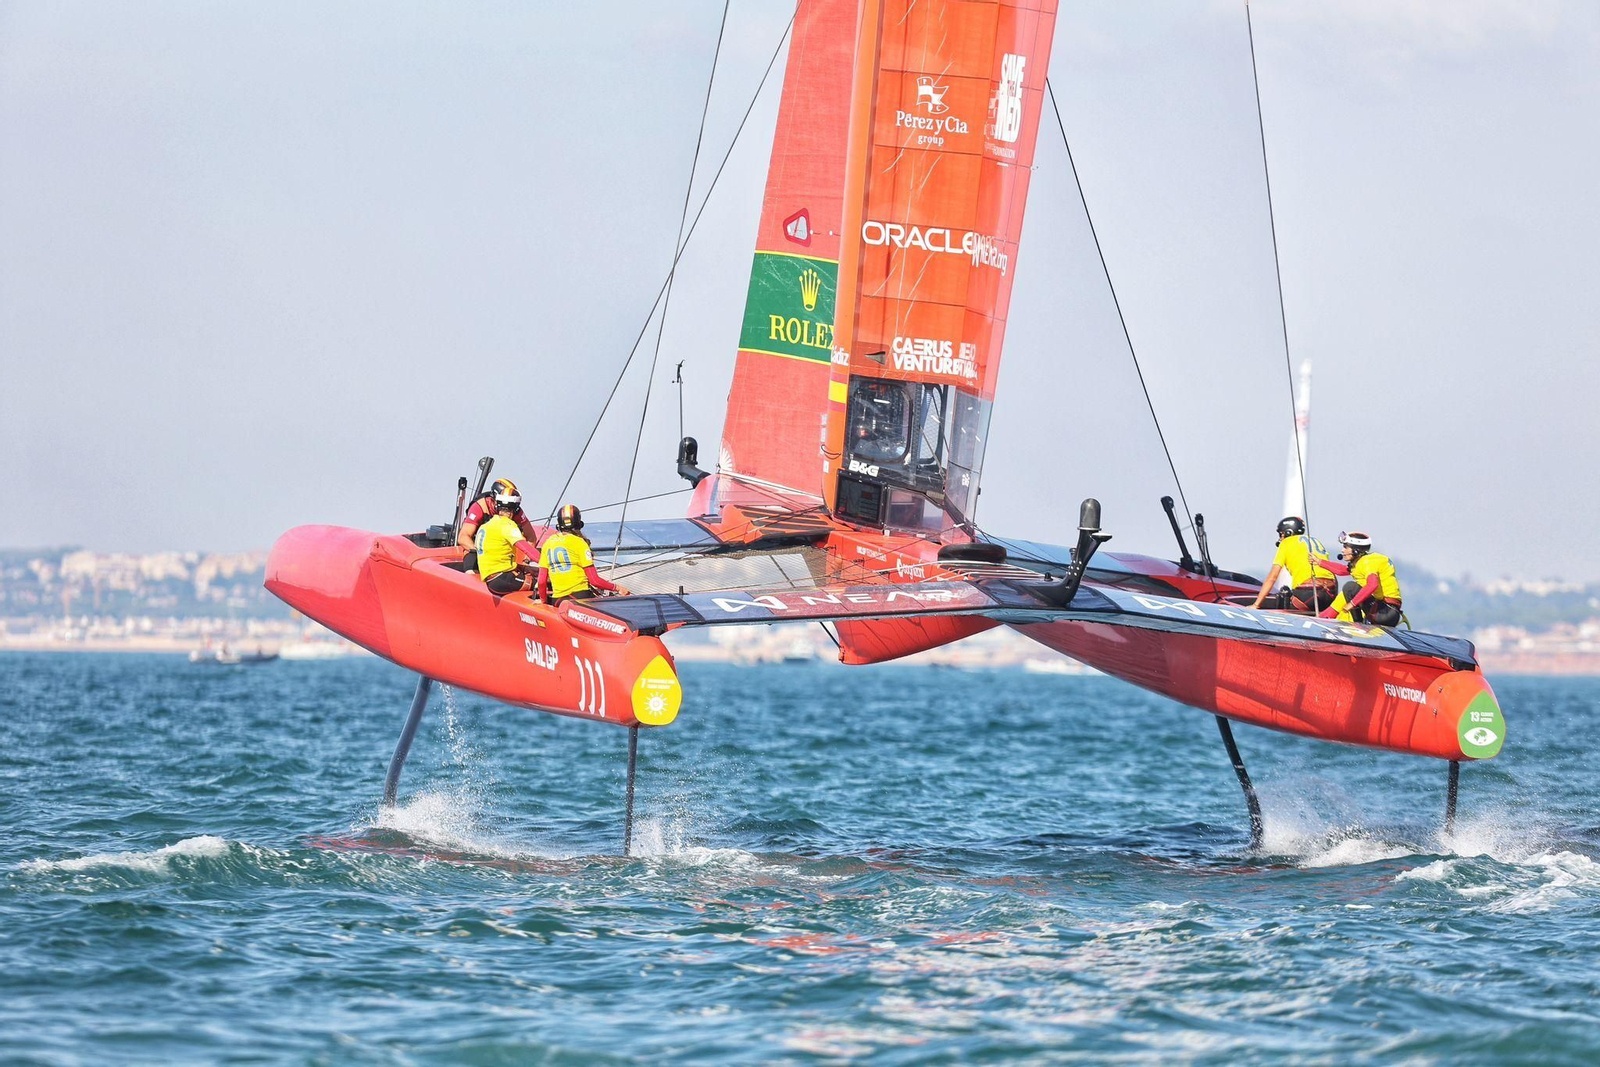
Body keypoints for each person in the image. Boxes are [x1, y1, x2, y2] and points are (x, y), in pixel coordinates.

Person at [537, 505, 626, 604]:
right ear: (579, 523)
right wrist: (617, 588)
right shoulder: (579, 543)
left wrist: (543, 601)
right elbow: (594, 581)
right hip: (580, 597)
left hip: (558, 600)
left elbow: (541, 581)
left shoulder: (548, 543)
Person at [1247, 516, 1338, 612]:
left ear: (1288, 532)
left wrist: (1256, 604)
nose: (1280, 538)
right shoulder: (1315, 541)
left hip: (1309, 593)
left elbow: (1272, 577)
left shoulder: (1286, 543)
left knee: (1282, 602)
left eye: (1281, 534)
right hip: (1330, 594)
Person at [1320, 530, 1403, 626]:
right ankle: (1360, 623)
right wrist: (1319, 562)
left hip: (1385, 612)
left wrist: (1352, 603)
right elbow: (1342, 570)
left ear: (1356, 550)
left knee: (1349, 587)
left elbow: (1372, 585)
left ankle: (1358, 624)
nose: (1343, 550)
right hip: (1388, 612)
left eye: (1346, 547)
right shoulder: (1362, 561)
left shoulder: (1366, 562)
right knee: (1350, 589)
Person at [458, 478, 539, 571]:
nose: (507, 509)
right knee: (471, 571)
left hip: (503, 554)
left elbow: (531, 537)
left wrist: (526, 560)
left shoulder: (515, 511)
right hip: (477, 550)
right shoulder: (480, 507)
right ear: (494, 499)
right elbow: (463, 537)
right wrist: (482, 553)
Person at [475, 484, 538, 595]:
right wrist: (548, 564)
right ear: (515, 508)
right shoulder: (507, 524)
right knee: (545, 584)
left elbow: (496, 556)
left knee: (533, 572)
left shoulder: (486, 526)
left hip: (491, 579)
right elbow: (527, 549)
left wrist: (524, 568)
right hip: (503, 578)